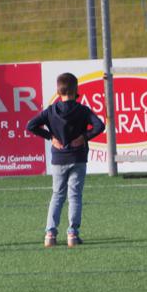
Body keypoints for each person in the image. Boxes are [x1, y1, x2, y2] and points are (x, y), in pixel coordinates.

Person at [26, 72, 105, 248]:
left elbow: (30, 125)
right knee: (75, 195)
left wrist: (50, 137)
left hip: (59, 158)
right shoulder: (82, 110)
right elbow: (100, 125)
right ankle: (72, 234)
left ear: (58, 91)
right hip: (78, 157)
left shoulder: (51, 110)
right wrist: (84, 137)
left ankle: (50, 234)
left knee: (57, 195)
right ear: (76, 90)